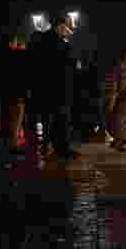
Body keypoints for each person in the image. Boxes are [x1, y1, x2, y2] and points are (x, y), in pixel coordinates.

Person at [30, 15, 79, 160]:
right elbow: (66, 62)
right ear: (60, 26)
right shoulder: (58, 42)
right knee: (60, 119)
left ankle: (48, 147)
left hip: (45, 87)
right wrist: (73, 63)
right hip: (58, 87)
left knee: (48, 119)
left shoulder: (42, 40)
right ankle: (61, 149)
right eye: (67, 27)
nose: (69, 30)